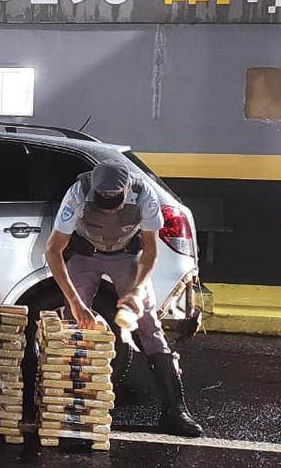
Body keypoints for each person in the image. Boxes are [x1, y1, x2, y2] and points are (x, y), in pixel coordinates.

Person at [44, 160, 204, 438]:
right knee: (73, 325)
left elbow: (151, 249)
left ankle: (175, 411)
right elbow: (53, 250)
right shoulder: (78, 193)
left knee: (149, 326)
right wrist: (75, 302)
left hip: (127, 256)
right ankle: (72, 411)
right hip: (85, 255)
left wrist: (137, 291)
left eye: (114, 200)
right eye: (103, 199)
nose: (108, 205)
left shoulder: (144, 195)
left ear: (128, 188)